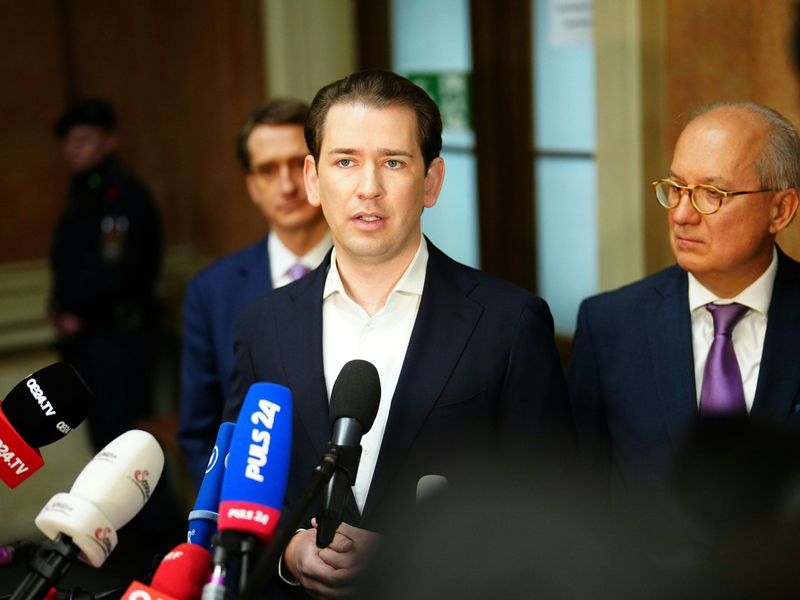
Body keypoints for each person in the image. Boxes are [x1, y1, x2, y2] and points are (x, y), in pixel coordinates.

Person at [221, 70, 575, 599]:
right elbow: (235, 493)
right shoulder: (262, 324)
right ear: (314, 180)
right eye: (345, 162)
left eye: (393, 162)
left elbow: (552, 508)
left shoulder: (509, 321)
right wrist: (289, 554)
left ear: (431, 182)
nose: (369, 188)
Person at [568, 102, 800, 493]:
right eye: (676, 189)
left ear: (781, 210)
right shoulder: (609, 324)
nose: (681, 215)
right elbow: (576, 490)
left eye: (711, 194)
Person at [178, 99, 331, 488]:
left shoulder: (371, 271)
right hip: (255, 524)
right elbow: (201, 431)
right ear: (252, 186)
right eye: (267, 169)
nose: (287, 184)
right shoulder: (212, 290)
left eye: (298, 163)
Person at [50, 99, 163, 452]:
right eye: (69, 142)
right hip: (89, 343)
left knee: (123, 447)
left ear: (109, 141)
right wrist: (56, 304)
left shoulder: (120, 194)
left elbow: (116, 270)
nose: (73, 149)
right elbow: (67, 260)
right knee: (102, 444)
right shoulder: (84, 192)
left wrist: (75, 311)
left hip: (116, 340)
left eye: (83, 139)